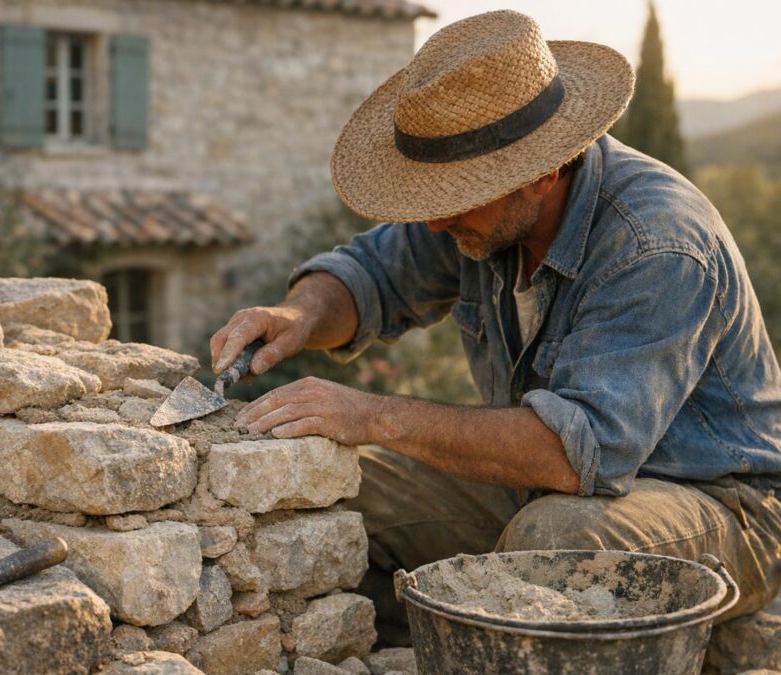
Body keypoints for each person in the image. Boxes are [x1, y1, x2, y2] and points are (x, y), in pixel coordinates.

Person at [210, 10, 781, 644]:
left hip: (720, 507)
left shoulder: (657, 245)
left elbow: (575, 453)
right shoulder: (482, 215)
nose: (431, 223)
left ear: (542, 171)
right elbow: (369, 275)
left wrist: (374, 415)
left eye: (455, 195)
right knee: (334, 484)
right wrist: (300, 314)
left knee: (559, 539)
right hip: (545, 486)